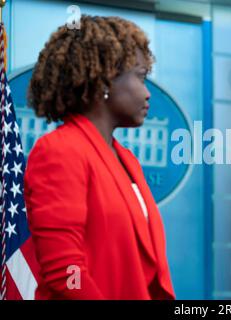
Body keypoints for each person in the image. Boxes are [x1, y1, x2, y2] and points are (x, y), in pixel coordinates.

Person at [24, 15, 175, 300]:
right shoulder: (60, 150)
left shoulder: (127, 159)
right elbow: (65, 273)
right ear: (104, 79)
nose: (147, 94)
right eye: (141, 77)